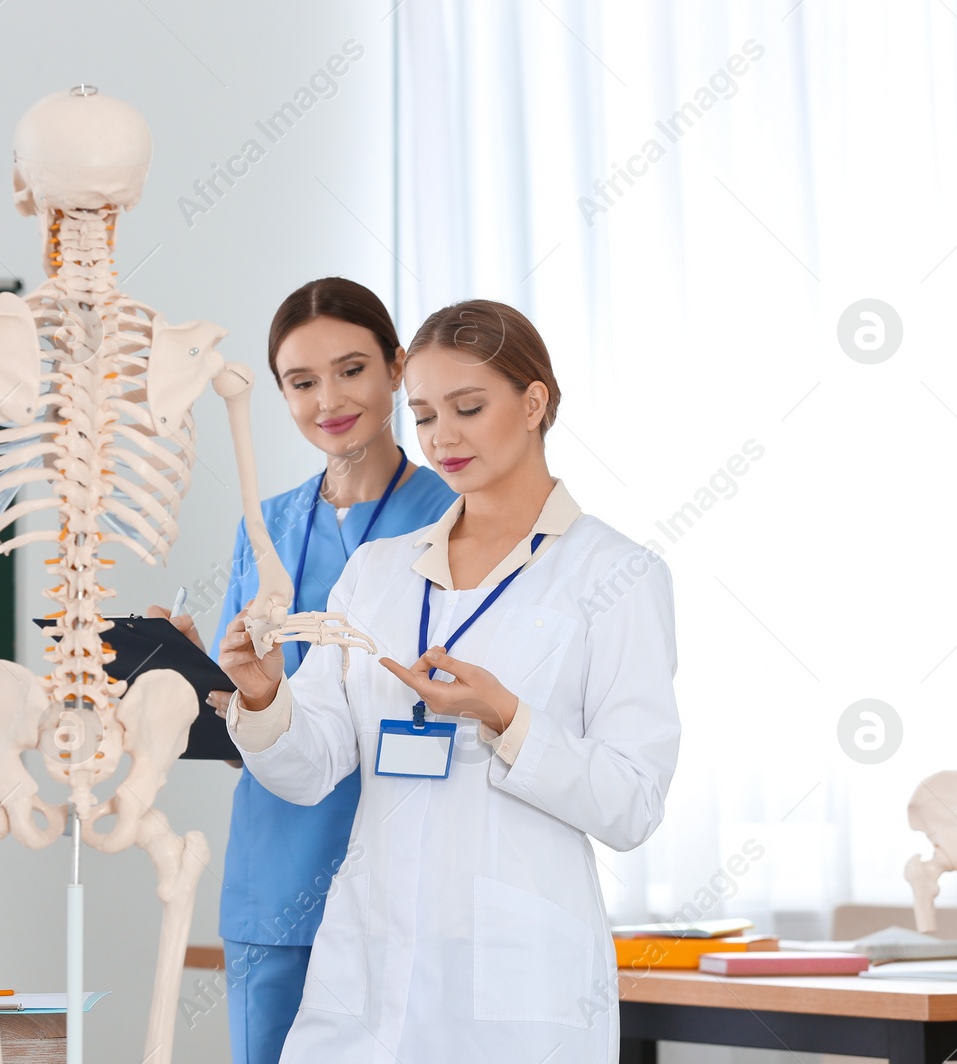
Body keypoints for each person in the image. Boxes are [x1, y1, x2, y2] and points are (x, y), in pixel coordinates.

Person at [218, 299, 680, 1062]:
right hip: (363, 978)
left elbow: (633, 803)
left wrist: (506, 716)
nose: (443, 438)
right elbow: (311, 769)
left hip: (516, 986)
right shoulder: (378, 574)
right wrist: (266, 695)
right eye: (426, 414)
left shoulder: (616, 575)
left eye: (469, 407)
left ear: (534, 402)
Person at [157, 278, 456, 1063]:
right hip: (276, 878)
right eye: (301, 381)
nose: (329, 398)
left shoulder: (451, 517)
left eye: (352, 370)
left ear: (397, 369)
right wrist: (188, 669)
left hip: (402, 872)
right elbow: (235, 730)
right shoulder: (268, 524)